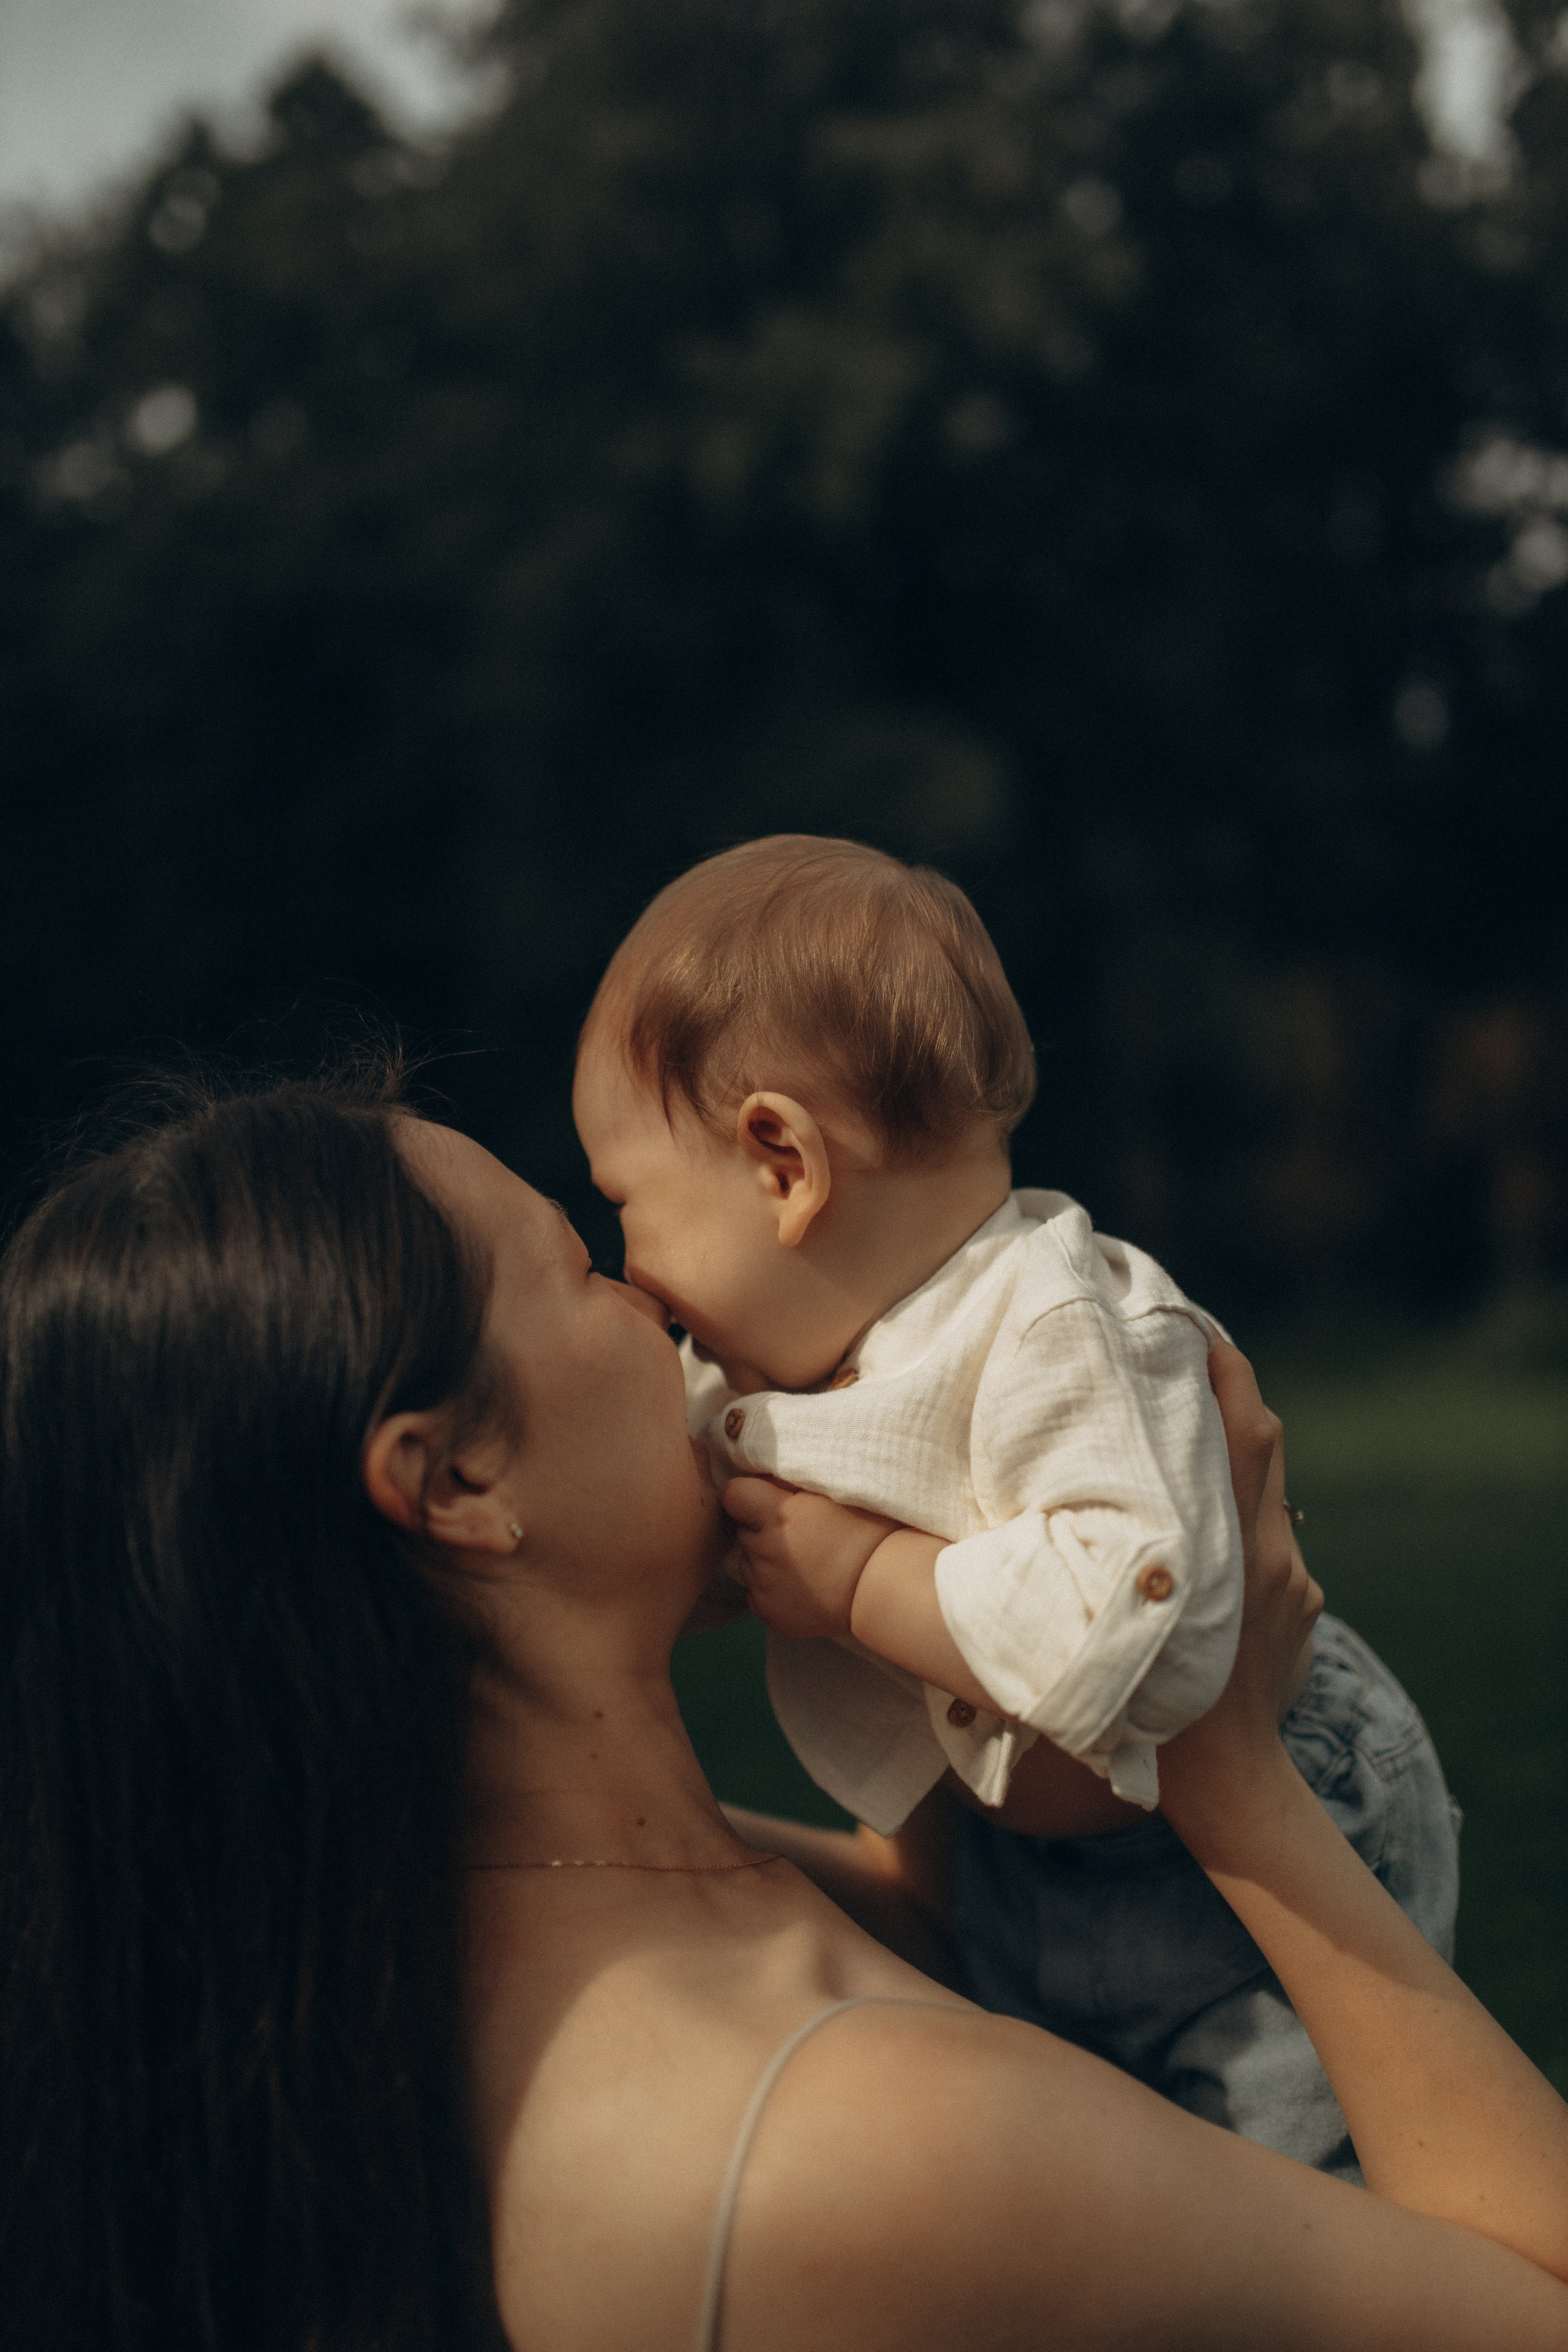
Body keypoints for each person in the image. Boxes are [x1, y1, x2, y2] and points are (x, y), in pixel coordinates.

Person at [4, 1071, 1567, 2352]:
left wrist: (926, 1585)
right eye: (575, 1269)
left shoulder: (427, 1922)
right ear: (458, 1483)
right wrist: (1224, 1764)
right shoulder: (853, 2147)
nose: (658, 1302)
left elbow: (978, 1946)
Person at [571, 832, 1460, 2176]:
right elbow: (687, 1530)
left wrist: (864, 1581)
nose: (632, 1278)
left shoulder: (1060, 1328)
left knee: (1307, 2212)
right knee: (1137, 2207)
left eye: (624, 1205)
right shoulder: (797, 1357)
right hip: (1040, 1864)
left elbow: (1137, 1630)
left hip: (1247, 1866)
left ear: (780, 1162)